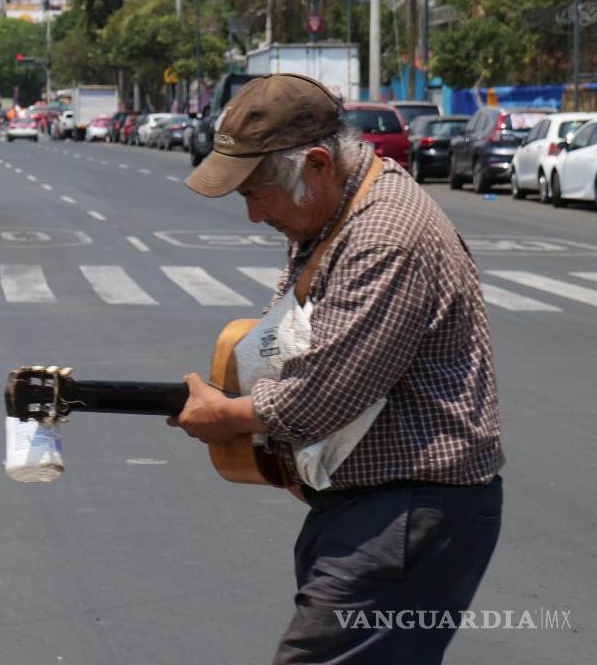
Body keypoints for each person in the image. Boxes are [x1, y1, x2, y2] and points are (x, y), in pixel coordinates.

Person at [167, 73, 503, 665]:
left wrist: (228, 416)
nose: (252, 215)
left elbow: (317, 399)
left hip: (407, 510)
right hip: (372, 506)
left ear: (318, 162)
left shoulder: (384, 236)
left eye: (256, 193)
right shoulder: (338, 210)